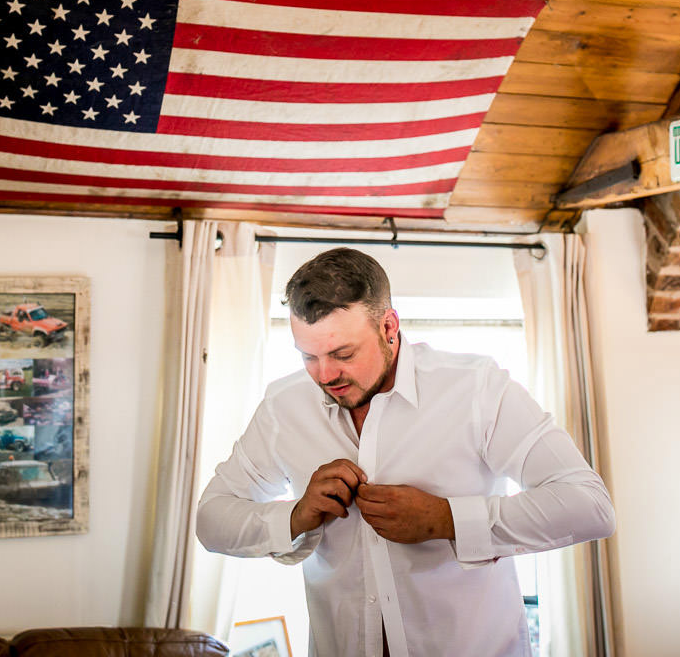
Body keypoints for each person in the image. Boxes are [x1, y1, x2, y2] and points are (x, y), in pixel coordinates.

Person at [196, 247, 614, 657]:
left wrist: (446, 519)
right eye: (309, 357)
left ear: (389, 327)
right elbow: (211, 519)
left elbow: (589, 505)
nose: (325, 375)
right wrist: (293, 516)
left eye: (343, 354)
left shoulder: (478, 389)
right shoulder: (283, 407)